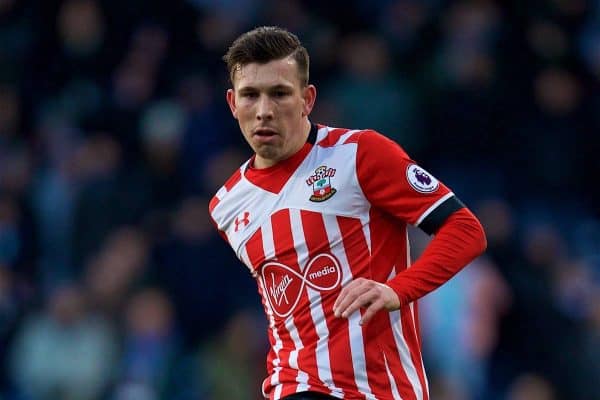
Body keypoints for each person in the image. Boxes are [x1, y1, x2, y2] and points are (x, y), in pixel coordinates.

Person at [209, 26, 487, 400]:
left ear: (307, 99)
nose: (264, 111)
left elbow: (465, 230)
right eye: (250, 95)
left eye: (279, 94)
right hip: (294, 387)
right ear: (232, 103)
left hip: (380, 389)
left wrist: (396, 290)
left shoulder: (359, 154)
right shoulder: (227, 205)